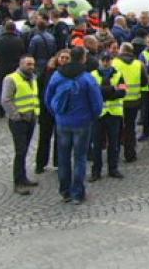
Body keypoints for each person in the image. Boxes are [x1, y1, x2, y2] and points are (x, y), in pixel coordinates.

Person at [44, 46, 103, 204]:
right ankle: (77, 193)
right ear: (83, 58)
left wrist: (57, 114)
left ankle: (65, 191)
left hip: (63, 121)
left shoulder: (57, 75)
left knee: (63, 157)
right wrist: (92, 117)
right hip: (82, 122)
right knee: (80, 158)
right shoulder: (87, 78)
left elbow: (48, 98)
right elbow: (97, 104)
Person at [1, 55, 40, 195]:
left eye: (33, 64)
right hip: (19, 121)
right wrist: (16, 116)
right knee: (20, 151)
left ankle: (23, 178)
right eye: (28, 64)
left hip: (31, 118)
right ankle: (18, 182)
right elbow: (5, 100)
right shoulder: (11, 79)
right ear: (21, 64)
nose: (31, 67)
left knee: (25, 150)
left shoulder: (33, 78)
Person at [90, 52, 126, 180]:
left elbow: (123, 92)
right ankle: (96, 171)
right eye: (104, 60)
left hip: (114, 114)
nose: (106, 62)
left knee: (114, 144)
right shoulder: (93, 74)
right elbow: (92, 92)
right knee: (97, 145)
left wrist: (103, 93)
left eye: (108, 60)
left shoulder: (118, 74)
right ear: (100, 61)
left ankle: (113, 169)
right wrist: (112, 89)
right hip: (98, 114)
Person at [112, 43, 149, 163]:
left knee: (116, 128)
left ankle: (114, 154)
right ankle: (130, 154)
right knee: (130, 127)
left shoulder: (114, 63)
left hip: (118, 101)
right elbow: (144, 82)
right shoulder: (139, 64)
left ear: (121, 50)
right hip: (134, 101)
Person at [0, 21, 26, 117]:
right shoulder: (19, 40)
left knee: (0, 88)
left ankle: (0, 110)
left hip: (2, 67)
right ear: (14, 29)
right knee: (15, 89)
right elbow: (22, 53)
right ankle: (14, 109)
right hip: (14, 67)